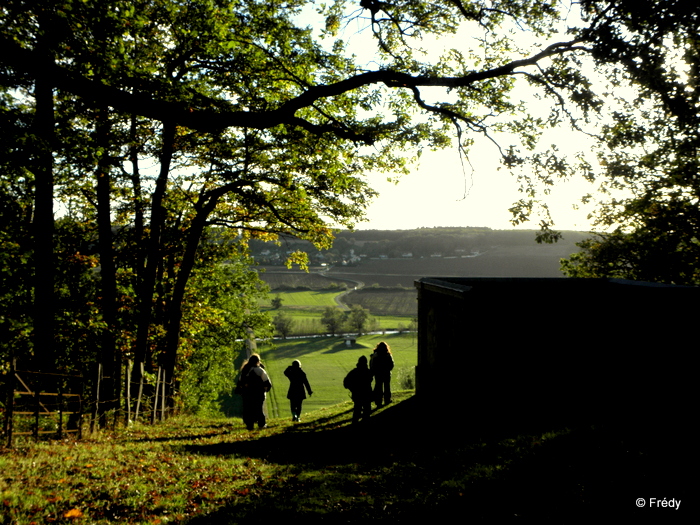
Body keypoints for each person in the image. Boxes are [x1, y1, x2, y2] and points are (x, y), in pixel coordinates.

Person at [236, 353, 272, 430]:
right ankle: (261, 425)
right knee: (259, 409)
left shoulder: (244, 371)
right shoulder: (260, 371)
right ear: (258, 361)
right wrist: (265, 390)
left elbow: (239, 383)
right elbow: (267, 383)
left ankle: (250, 425)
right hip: (258, 394)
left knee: (248, 410)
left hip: (247, 394)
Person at [343, 355, 373, 424]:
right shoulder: (368, 372)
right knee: (367, 410)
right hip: (366, 394)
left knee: (357, 410)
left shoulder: (354, 372)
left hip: (357, 394)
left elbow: (346, 383)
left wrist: (352, 388)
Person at [370, 341, 394, 408]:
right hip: (386, 373)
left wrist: (373, 372)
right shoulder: (388, 355)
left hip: (378, 374)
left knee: (378, 387)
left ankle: (378, 402)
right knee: (387, 387)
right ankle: (387, 400)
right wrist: (388, 370)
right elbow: (391, 364)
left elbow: (372, 365)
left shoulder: (375, 355)